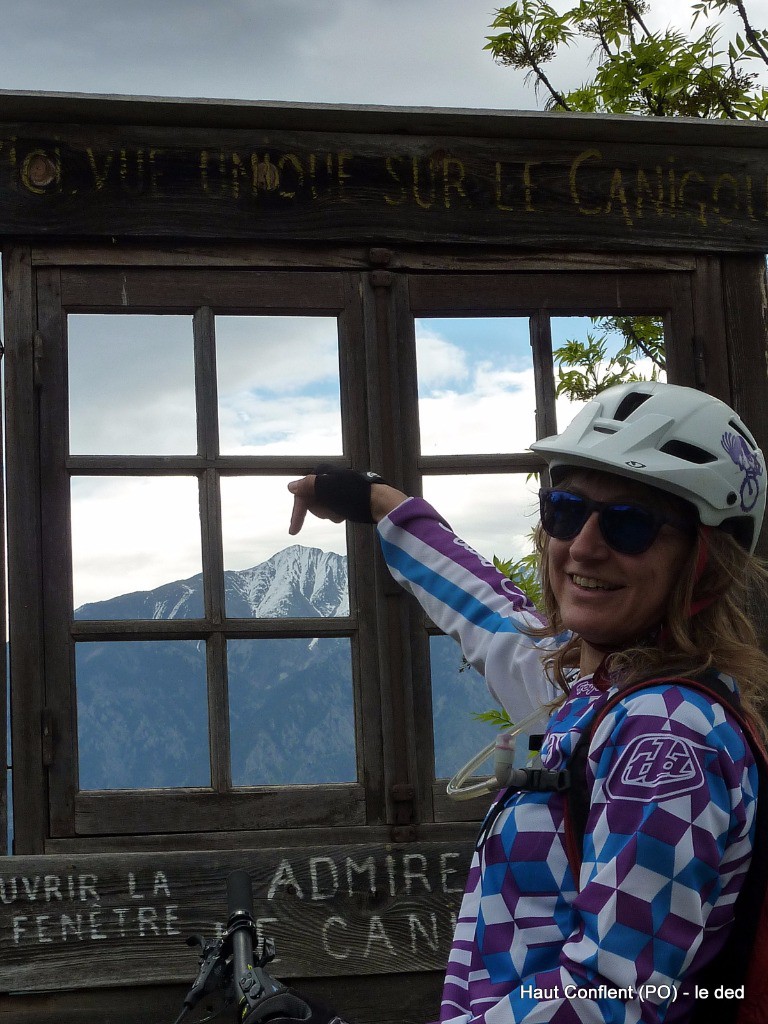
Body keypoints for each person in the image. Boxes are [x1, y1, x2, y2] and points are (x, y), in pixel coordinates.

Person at [286, 380, 768, 1024]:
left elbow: (612, 997)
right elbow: (483, 607)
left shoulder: (665, 732)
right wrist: (376, 501)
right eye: (565, 510)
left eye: (630, 524)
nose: (584, 546)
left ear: (704, 561)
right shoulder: (586, 692)